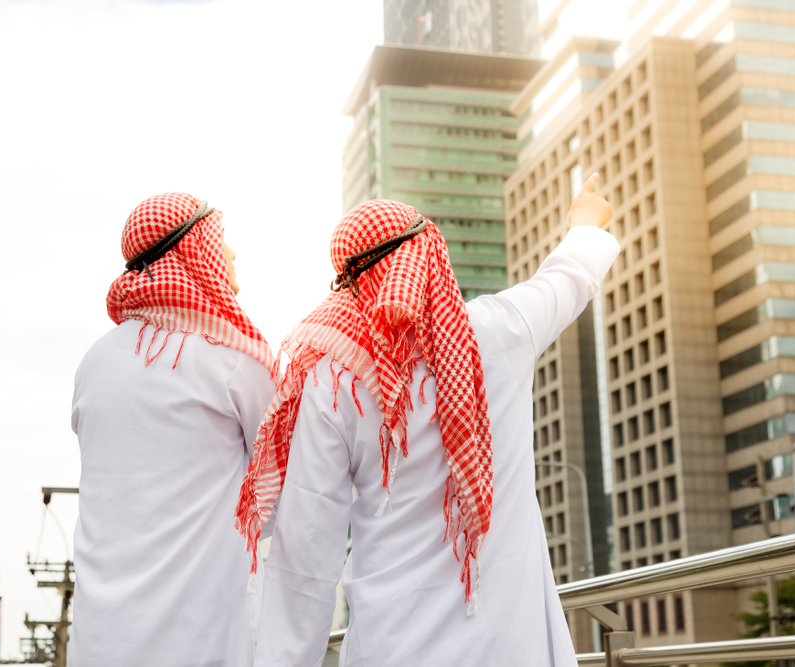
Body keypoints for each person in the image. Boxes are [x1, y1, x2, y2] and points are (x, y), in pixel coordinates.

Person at [237, 174, 618, 667]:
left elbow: (308, 556)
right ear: (431, 255)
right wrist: (584, 220)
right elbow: (568, 277)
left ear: (350, 284)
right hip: (507, 643)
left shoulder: (333, 382)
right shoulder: (501, 330)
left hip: (393, 644)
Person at [69, 193, 275, 667]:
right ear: (192, 251)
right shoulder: (232, 359)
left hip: (101, 640)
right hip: (203, 636)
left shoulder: (93, 362)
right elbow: (278, 493)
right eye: (221, 241)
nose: (231, 254)